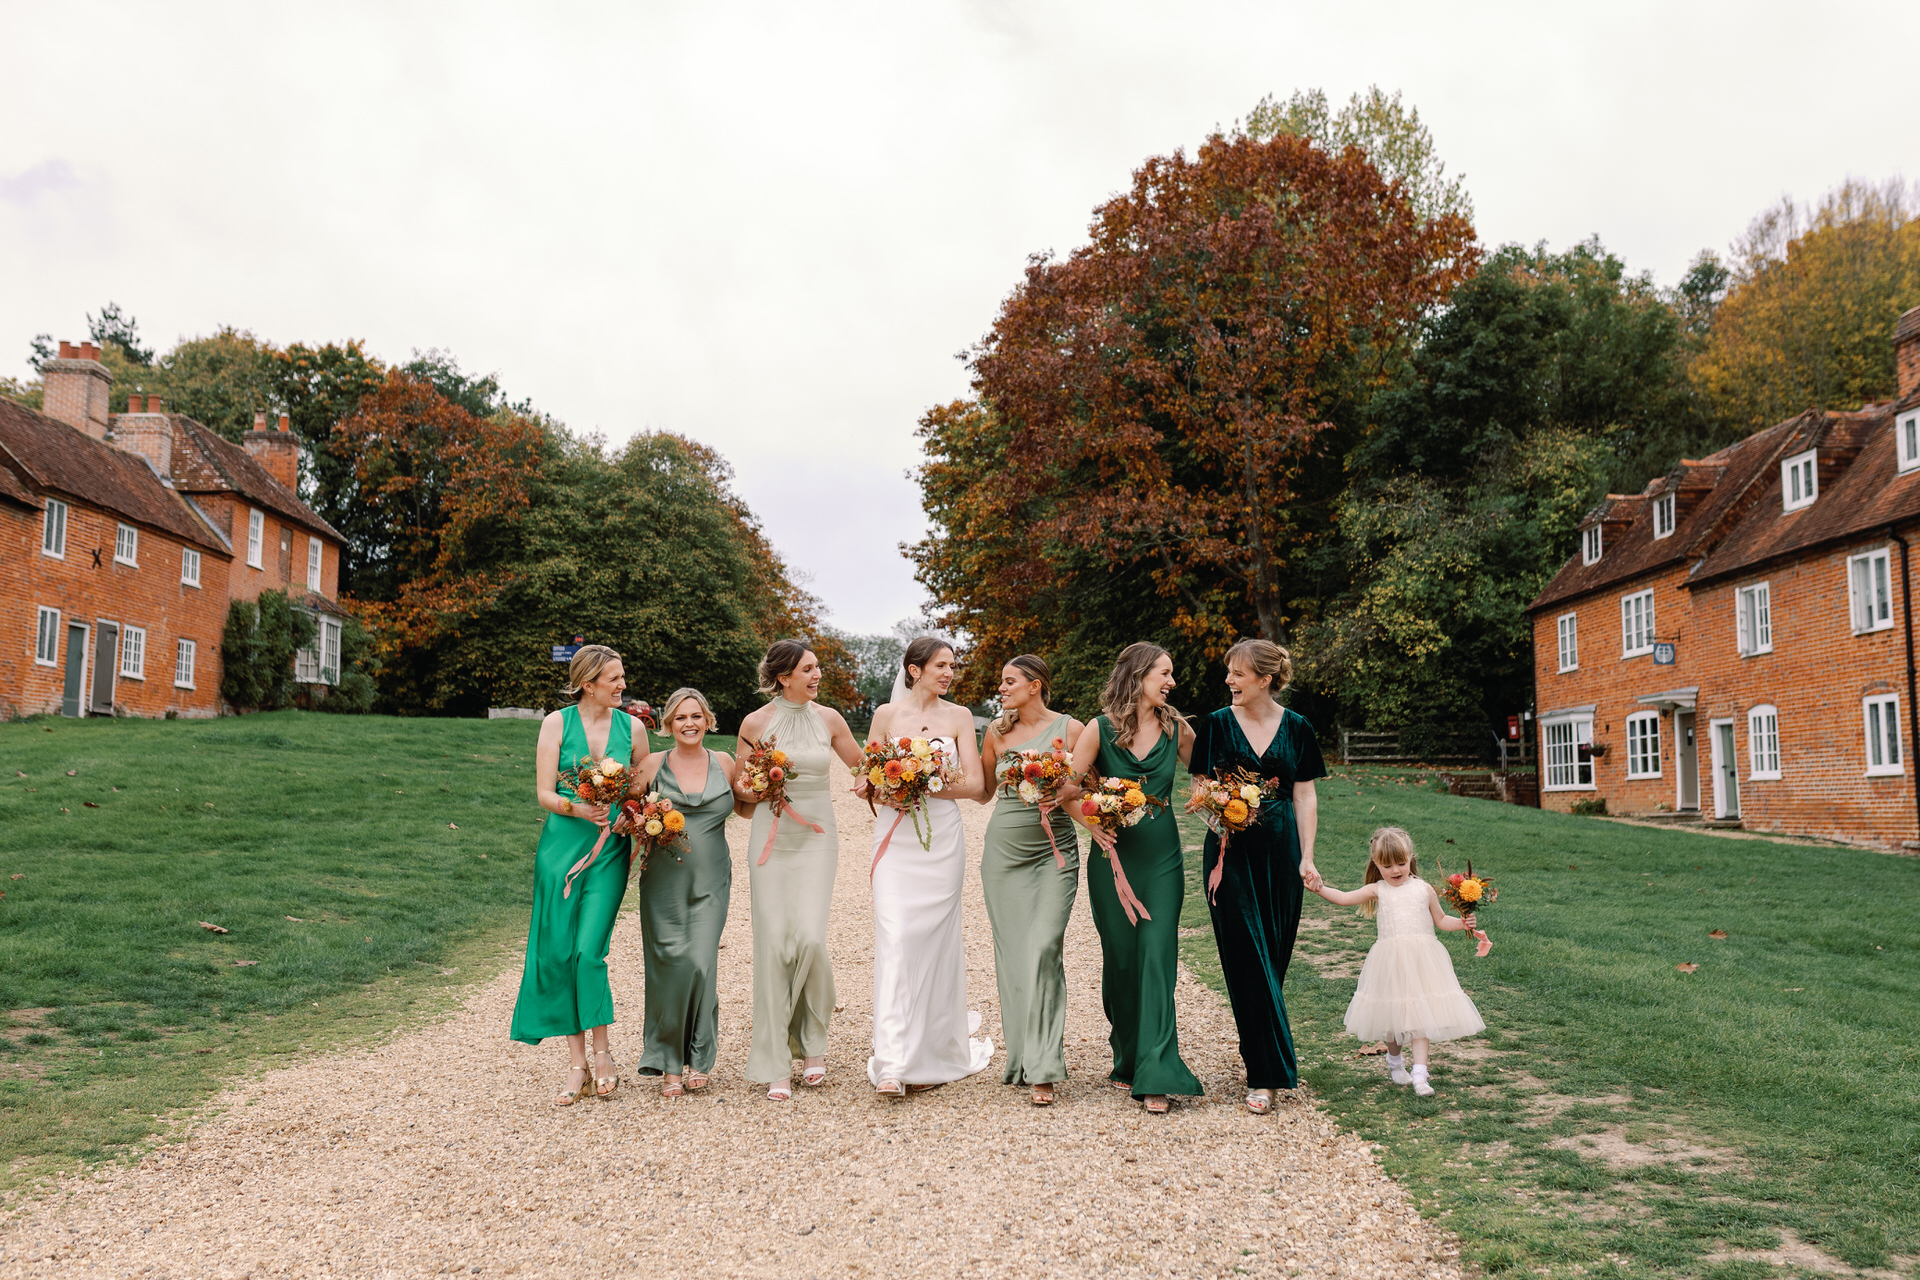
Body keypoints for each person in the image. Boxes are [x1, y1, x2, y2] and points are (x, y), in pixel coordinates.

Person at [1187, 638, 1327, 1115]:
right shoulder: (1216, 725)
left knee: (1274, 956)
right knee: (1247, 957)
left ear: (1265, 679)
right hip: (1230, 854)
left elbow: (1304, 796)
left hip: (1283, 854)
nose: (1228, 681)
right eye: (1228, 672)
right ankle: (1265, 1076)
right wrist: (1226, 814)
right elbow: (1200, 791)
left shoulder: (1300, 728)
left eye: (1238, 674)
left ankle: (1260, 1052)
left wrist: (1307, 857)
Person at [1068, 642, 1202, 1114]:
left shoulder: (1177, 728)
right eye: (1164, 673)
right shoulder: (1098, 730)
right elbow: (1065, 789)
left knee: (1157, 956)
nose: (1171, 682)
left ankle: (1158, 1070)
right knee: (1122, 961)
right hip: (1113, 859)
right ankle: (1128, 1056)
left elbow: (1203, 776)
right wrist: (1091, 820)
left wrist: (1213, 800)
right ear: (1139, 675)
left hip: (1162, 857)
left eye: (1171, 674)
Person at [734, 639, 865, 1101]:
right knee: (774, 946)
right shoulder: (755, 723)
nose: (817, 676)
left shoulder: (829, 719)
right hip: (771, 841)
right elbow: (741, 799)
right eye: (808, 670)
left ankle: (813, 1043)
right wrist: (759, 782)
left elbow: (863, 767)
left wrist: (890, 778)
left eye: (817, 668)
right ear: (784, 677)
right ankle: (774, 1060)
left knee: (809, 937)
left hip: (816, 839)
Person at [864, 637, 994, 1096]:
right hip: (896, 838)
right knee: (897, 937)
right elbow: (867, 779)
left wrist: (926, 781)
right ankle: (894, 1062)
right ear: (914, 670)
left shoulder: (959, 717)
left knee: (935, 942)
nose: (948, 673)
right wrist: (887, 787)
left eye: (952, 666)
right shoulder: (885, 715)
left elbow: (978, 786)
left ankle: (936, 1046)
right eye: (940, 665)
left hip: (941, 839)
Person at [509, 644, 636, 1104]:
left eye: (622, 677)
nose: (623, 685)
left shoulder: (634, 728)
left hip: (608, 853)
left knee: (588, 952)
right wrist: (578, 807)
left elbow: (640, 789)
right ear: (588, 684)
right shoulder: (555, 724)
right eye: (615, 679)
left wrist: (631, 815)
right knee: (560, 954)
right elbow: (544, 792)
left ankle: (603, 1056)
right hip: (561, 850)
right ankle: (577, 1065)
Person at [973, 655, 1083, 1105]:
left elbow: (1083, 786)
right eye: (1002, 681)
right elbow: (981, 792)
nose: (1001, 688)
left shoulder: (1071, 730)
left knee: (1043, 947)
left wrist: (1082, 805)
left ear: (1035, 685)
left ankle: (1044, 1067)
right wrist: (919, 785)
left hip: (1053, 852)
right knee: (1014, 955)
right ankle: (1023, 1058)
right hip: (1003, 856)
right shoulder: (996, 734)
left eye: (1009, 680)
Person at [1308, 826, 1485, 1097]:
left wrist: (1462, 924)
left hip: (1423, 960)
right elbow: (1344, 898)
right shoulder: (1377, 890)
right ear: (1376, 864)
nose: (1395, 870)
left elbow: (1440, 921)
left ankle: (1420, 1075)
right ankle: (1394, 1061)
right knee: (1394, 1020)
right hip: (1390, 962)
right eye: (1387, 865)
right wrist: (1320, 889)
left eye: (1401, 863)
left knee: (1419, 1018)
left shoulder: (1424, 889)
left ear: (1411, 857)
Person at [632, 687, 737, 1097]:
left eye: (696, 716)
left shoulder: (725, 762)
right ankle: (669, 1061)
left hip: (712, 878)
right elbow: (629, 812)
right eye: (680, 718)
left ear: (708, 720)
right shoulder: (652, 764)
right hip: (663, 879)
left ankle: (699, 1053)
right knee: (668, 966)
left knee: (699, 962)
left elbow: (745, 804)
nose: (689, 724)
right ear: (668, 725)